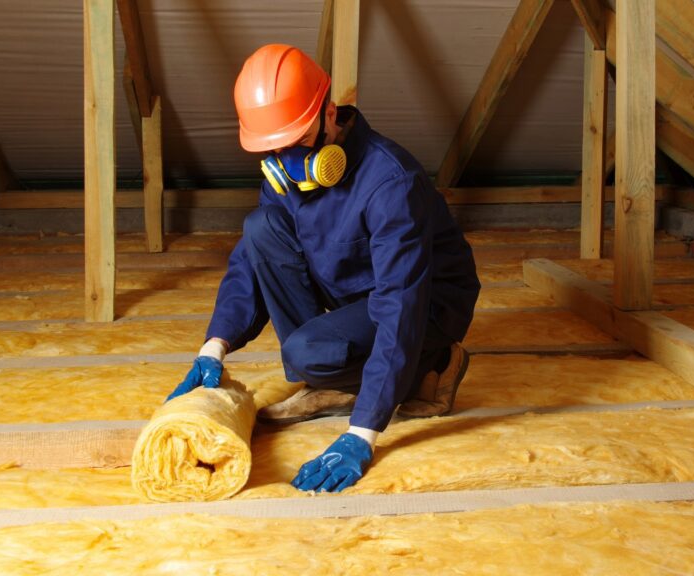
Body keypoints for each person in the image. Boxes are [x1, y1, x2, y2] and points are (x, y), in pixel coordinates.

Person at [166, 44, 480, 493]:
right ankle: (334, 374)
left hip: (425, 299)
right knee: (260, 228)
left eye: (295, 143)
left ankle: (432, 364)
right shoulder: (284, 171)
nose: (284, 160)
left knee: (305, 352)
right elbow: (252, 260)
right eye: (272, 148)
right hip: (353, 284)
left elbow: (399, 302)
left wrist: (362, 433)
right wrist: (213, 347)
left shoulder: (390, 182)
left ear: (329, 113)